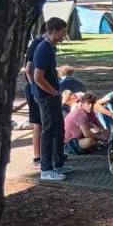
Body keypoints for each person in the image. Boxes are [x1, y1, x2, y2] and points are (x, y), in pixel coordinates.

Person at [32, 18, 69, 180]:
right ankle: (46, 169)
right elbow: (37, 77)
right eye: (63, 32)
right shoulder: (43, 49)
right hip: (46, 97)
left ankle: (58, 163)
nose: (65, 35)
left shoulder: (51, 47)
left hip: (53, 95)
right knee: (48, 131)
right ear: (55, 32)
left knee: (59, 128)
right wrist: (53, 92)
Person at [23, 25, 46, 168]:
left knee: (45, 122)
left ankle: (47, 154)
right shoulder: (37, 44)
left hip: (40, 88)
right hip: (34, 89)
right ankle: (37, 158)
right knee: (38, 123)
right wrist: (34, 88)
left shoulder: (44, 44)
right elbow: (27, 69)